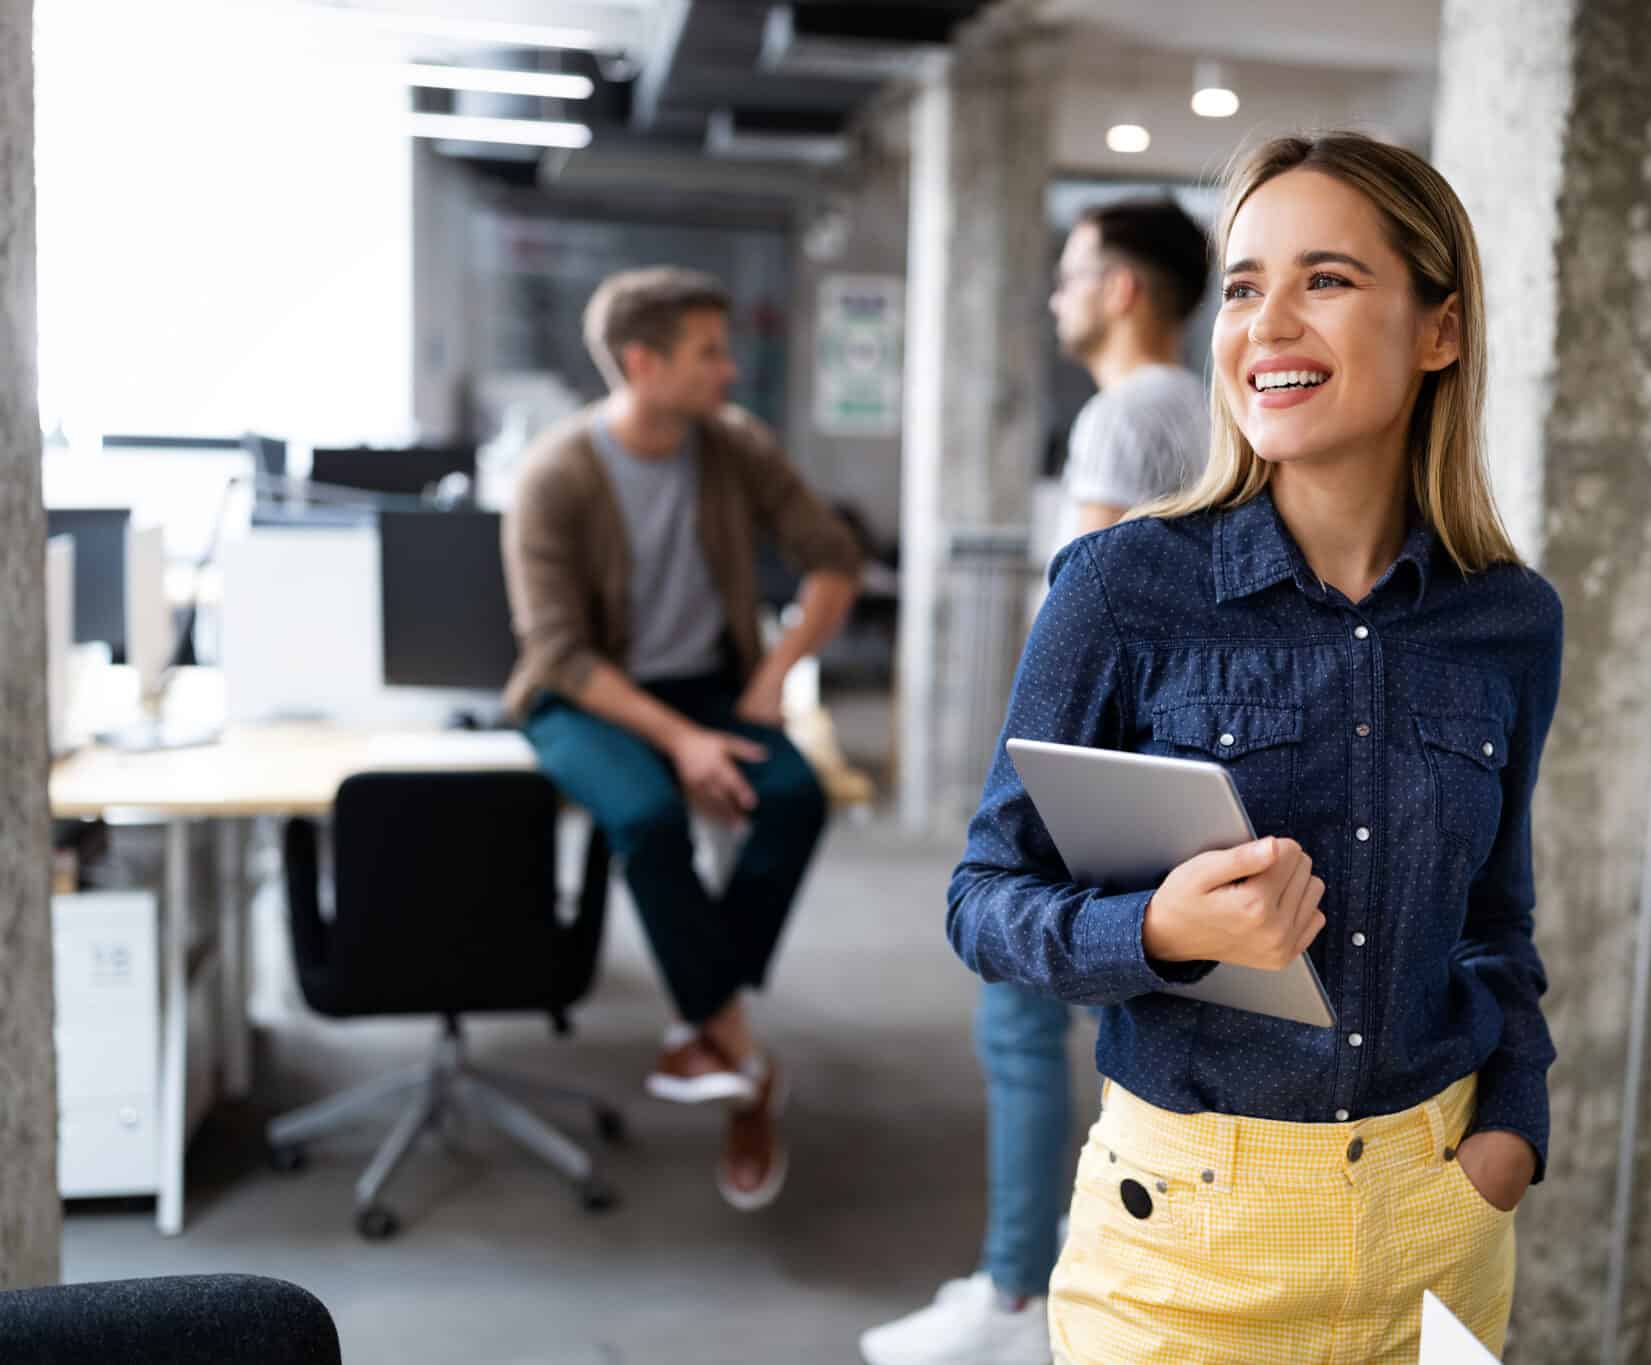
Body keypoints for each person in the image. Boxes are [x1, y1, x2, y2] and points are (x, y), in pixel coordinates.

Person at [946, 132, 1563, 1362]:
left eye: (1324, 280)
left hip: (1436, 1222)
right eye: (1241, 287)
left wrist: (1513, 1129)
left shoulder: (1507, 619)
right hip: (1185, 1239)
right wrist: (1159, 933)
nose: (1266, 323)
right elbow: (981, 901)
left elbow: (1495, 919)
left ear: (1438, 330)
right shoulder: (1120, 588)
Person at [860, 198, 1211, 1365]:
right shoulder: (1207, 414)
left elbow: (1081, 621)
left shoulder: (1122, 419)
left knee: (1017, 1014)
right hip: (1179, 753)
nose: (1055, 297)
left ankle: (1017, 1291)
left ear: (1124, 289)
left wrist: (1024, 771)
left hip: (1098, 762)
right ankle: (1075, 1273)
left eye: (1070, 275)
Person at [500, 266, 863, 1212]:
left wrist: (770, 677)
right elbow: (561, 654)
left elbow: (833, 559)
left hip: (712, 683)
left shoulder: (732, 446)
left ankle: (704, 1020)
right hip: (581, 698)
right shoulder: (553, 475)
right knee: (649, 815)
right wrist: (681, 742)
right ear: (640, 361)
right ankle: (739, 1051)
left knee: (795, 794)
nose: (729, 370)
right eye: (709, 352)